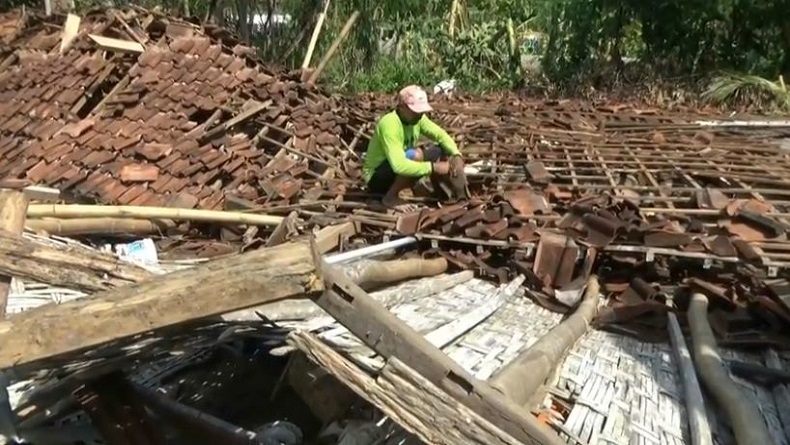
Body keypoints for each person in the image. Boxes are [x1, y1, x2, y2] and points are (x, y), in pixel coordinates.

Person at [362, 85, 464, 208]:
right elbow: (399, 166)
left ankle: (443, 192)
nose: (419, 115)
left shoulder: (418, 118)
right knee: (414, 155)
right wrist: (433, 167)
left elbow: (440, 135)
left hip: (397, 168)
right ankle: (390, 198)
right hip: (376, 178)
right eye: (415, 111)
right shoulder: (390, 124)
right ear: (402, 107)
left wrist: (456, 155)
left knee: (439, 150)